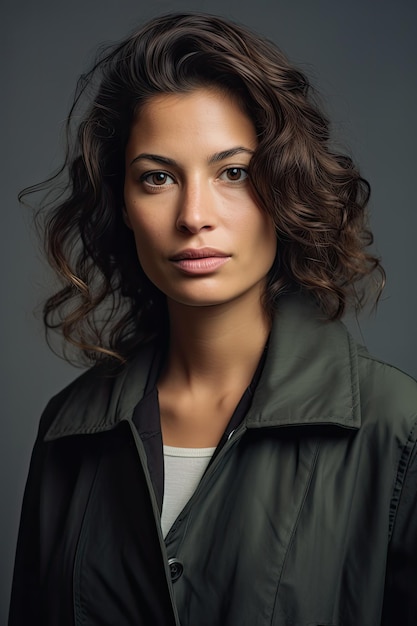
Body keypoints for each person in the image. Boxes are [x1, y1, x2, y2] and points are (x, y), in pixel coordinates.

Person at [9, 12, 417, 626]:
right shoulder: (70, 429)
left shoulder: (397, 429)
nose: (193, 214)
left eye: (233, 173)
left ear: (284, 184)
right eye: (158, 178)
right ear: (123, 203)